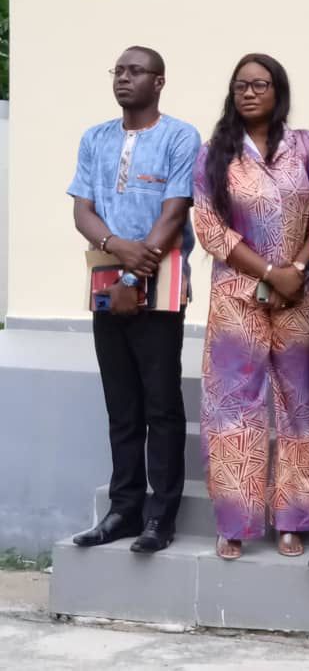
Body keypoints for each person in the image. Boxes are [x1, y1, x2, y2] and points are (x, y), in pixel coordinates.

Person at [193, 53, 309, 560]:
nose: (249, 92)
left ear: (279, 92)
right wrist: (270, 273)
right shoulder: (214, 154)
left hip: (299, 295)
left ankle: (293, 519)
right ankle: (235, 521)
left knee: (303, 405)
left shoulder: (306, 148)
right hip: (237, 298)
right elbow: (209, 229)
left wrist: (295, 270)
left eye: (261, 84)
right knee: (232, 407)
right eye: (241, 85)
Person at [69, 46, 199, 553]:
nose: (124, 78)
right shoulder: (95, 138)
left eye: (135, 71)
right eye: (118, 71)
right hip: (106, 281)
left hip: (159, 283)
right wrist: (115, 249)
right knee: (121, 404)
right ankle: (123, 510)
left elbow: (174, 213)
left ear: (159, 81)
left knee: (161, 404)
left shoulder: (180, 136)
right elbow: (83, 211)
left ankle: (160, 516)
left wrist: (131, 272)